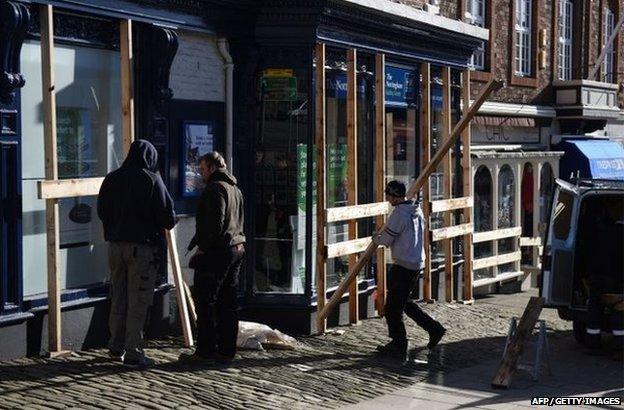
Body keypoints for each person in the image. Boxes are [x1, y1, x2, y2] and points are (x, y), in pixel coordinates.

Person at [97, 139, 176, 367]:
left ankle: (115, 345)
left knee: (118, 297)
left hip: (115, 246)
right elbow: (167, 217)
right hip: (141, 248)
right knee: (138, 300)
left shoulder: (112, 178)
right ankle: (133, 351)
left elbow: (102, 210)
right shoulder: (152, 179)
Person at [180, 152, 246, 365]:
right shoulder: (235, 188)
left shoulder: (215, 188)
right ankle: (227, 350)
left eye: (202, 170)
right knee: (228, 302)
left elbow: (214, 224)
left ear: (211, 167)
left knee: (205, 300)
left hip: (219, 251)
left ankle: (206, 351)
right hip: (236, 247)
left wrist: (203, 249)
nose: (201, 174)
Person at [373, 180, 446, 360]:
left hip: (404, 264)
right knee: (404, 302)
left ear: (393, 195)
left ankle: (399, 343)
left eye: (388, 195)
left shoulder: (399, 213)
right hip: (415, 261)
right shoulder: (417, 209)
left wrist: (375, 237)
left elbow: (386, 241)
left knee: (392, 308)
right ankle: (434, 329)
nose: (387, 199)